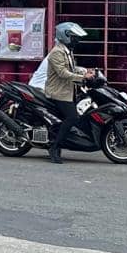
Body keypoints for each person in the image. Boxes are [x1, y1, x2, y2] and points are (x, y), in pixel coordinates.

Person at [43, 21, 95, 164]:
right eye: (74, 37)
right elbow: (63, 73)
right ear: (65, 36)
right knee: (72, 118)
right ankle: (55, 147)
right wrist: (83, 77)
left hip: (67, 91)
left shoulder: (67, 50)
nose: (76, 40)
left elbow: (72, 67)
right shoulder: (57, 52)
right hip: (58, 92)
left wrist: (86, 70)